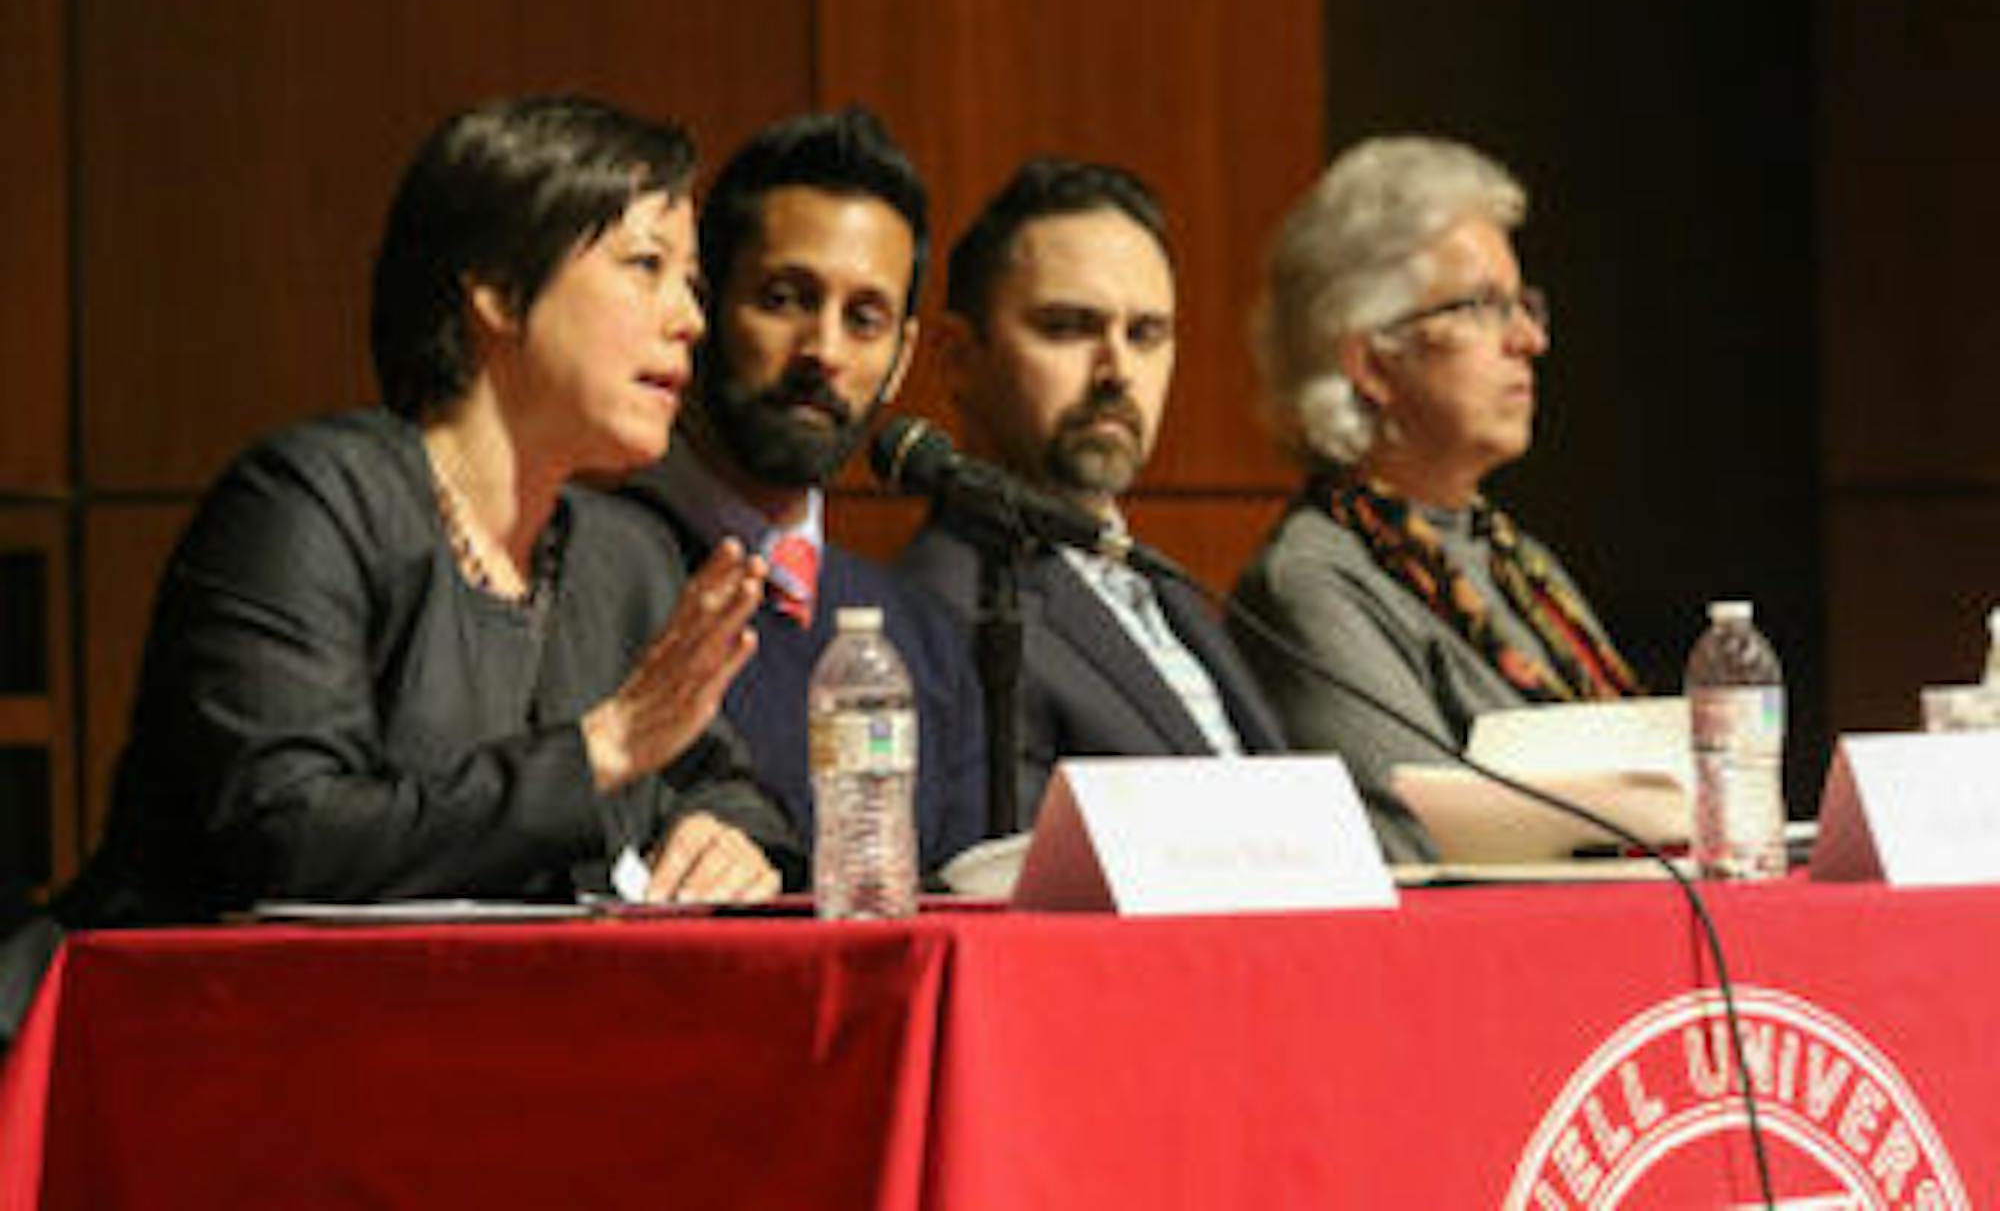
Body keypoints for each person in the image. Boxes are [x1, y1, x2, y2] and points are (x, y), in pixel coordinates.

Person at [55, 95, 800, 935]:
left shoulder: (624, 555)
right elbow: (286, 833)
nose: (690, 320)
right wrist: (599, 752)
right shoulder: (308, 504)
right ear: (497, 289)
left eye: (691, 283)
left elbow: (724, 785)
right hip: (210, 1008)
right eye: (645, 265)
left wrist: (726, 837)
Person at [1229, 136, 1643, 862]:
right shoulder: (1312, 583)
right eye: (1483, 306)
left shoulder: (1512, 559)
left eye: (1524, 305)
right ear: (1371, 362)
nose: (1529, 339)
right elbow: (1422, 849)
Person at [622, 108, 985, 873]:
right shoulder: (588, 574)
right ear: (701, 306)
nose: (823, 350)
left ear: (902, 357)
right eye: (784, 298)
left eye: (864, 318)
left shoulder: (920, 638)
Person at [898, 157, 1285, 830]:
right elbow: (1005, 876)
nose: (1118, 371)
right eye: (1068, 327)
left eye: (1145, 334)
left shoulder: (1158, 585)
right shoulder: (947, 610)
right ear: (959, 358)